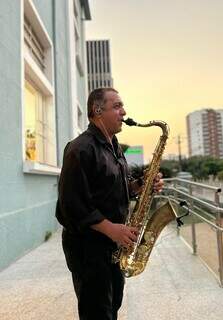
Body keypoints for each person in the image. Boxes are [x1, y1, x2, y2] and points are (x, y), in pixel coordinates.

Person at [55, 88, 163, 320]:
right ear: (97, 110)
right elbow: (70, 205)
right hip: (88, 247)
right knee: (96, 311)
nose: (123, 112)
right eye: (117, 106)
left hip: (112, 245)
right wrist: (111, 228)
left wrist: (142, 185)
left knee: (113, 304)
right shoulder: (80, 148)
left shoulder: (114, 146)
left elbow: (116, 187)